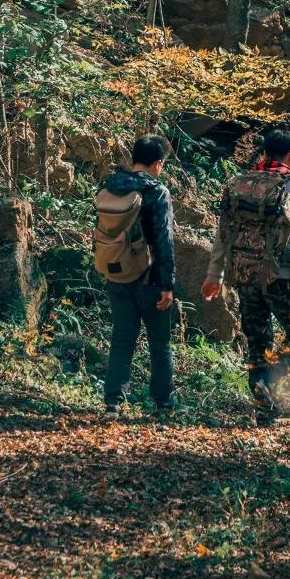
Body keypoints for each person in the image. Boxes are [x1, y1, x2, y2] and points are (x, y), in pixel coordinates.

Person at [201, 128, 290, 422]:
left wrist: (214, 275)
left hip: (243, 274)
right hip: (281, 277)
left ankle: (264, 410)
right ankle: (268, 383)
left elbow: (223, 234)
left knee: (258, 342)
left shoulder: (238, 183)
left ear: (265, 152)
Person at [99, 135, 178, 418]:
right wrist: (167, 284)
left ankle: (112, 401)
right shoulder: (155, 191)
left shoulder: (111, 186)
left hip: (116, 273)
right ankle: (163, 404)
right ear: (158, 163)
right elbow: (163, 240)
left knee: (122, 338)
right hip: (150, 278)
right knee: (159, 342)